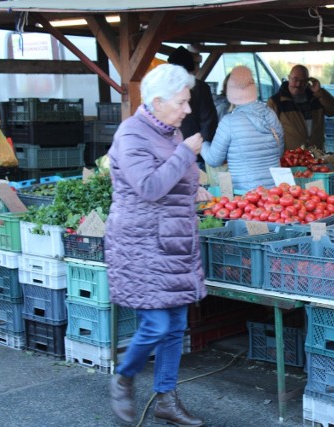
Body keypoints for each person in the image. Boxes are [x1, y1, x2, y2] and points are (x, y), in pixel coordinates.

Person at [106, 63, 212, 427]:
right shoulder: (131, 134)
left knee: (176, 324)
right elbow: (149, 187)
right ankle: (124, 376)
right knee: (155, 324)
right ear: (157, 101)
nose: (187, 109)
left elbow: (172, 180)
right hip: (141, 243)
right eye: (182, 102)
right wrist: (185, 153)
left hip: (175, 241)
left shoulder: (169, 132)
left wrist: (193, 187)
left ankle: (167, 398)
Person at [201, 65, 284, 192]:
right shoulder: (270, 114)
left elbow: (214, 160)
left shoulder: (229, 122)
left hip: (246, 194)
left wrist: (203, 145)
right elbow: (279, 152)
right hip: (274, 191)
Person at [267, 64, 334, 152]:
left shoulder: (317, 98)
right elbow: (267, 132)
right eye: (295, 79)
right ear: (289, 78)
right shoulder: (276, 102)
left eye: (303, 81)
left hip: (316, 156)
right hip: (290, 159)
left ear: (308, 82)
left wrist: (319, 92)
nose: (298, 84)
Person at [168, 46, 219, 168]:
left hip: (172, 152)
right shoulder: (201, 88)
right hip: (195, 152)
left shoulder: (166, 87)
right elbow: (209, 122)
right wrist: (202, 148)